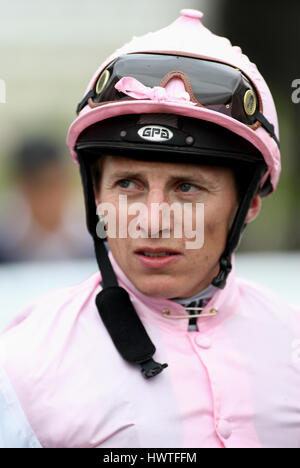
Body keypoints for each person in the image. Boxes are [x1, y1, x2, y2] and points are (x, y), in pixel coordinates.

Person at [0, 9, 299, 449]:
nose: (153, 221)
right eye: (127, 184)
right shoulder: (21, 364)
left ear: (250, 202)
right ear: (95, 196)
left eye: (186, 187)